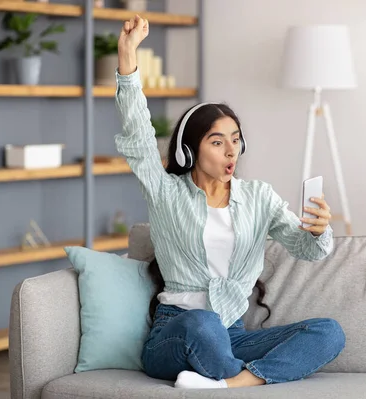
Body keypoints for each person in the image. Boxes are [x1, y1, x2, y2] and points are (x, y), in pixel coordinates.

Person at [114, 15, 346, 390]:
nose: (231, 151)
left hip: (232, 333)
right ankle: (236, 375)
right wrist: (127, 57)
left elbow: (307, 250)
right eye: (217, 141)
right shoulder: (166, 192)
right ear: (190, 149)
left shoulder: (258, 197)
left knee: (328, 332)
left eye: (235, 140)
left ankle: (228, 384)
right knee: (203, 323)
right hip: (177, 333)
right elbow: (138, 132)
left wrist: (319, 230)